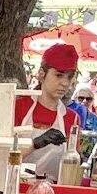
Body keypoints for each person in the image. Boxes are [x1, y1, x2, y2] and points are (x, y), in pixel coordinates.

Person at [15, 42, 83, 178]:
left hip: (54, 190)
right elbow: (3, 158)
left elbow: (73, 166)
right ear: (41, 74)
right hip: (17, 188)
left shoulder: (72, 118)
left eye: (69, 77)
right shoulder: (18, 107)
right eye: (59, 75)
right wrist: (35, 144)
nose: (65, 83)